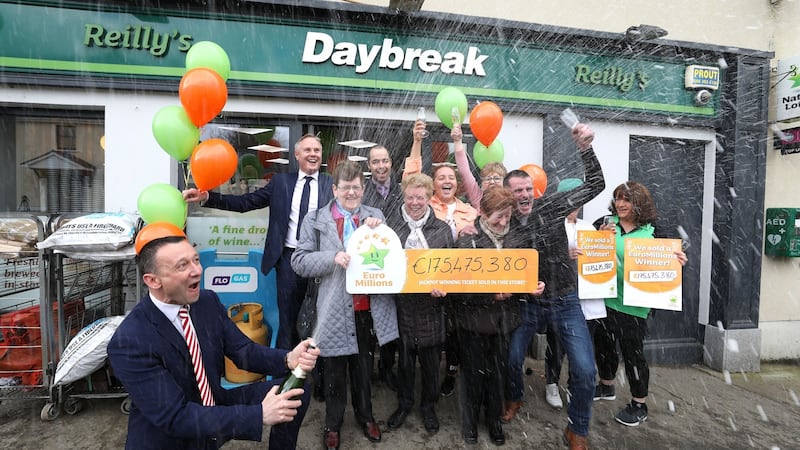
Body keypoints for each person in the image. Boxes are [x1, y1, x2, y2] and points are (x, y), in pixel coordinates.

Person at [107, 231, 320, 450]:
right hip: (170, 435)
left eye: (196, 260)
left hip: (213, 402)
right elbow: (176, 417)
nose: (197, 270)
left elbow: (243, 350)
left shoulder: (206, 301)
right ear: (153, 281)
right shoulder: (129, 341)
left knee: (295, 394)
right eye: (182, 266)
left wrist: (288, 359)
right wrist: (259, 414)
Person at [502, 123, 604, 450]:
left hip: (565, 301)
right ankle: (515, 398)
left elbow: (597, 184)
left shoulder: (552, 205)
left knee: (586, 372)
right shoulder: (503, 227)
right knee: (511, 359)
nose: (525, 194)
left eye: (528, 188)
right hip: (527, 305)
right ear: (508, 195)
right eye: (517, 190)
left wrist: (585, 148)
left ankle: (577, 429)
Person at [183, 133, 334, 351]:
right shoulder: (281, 183)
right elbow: (246, 202)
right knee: (288, 323)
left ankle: (317, 380)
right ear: (297, 154)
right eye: (308, 150)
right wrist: (208, 198)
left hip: (320, 261)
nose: (313, 154)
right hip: (288, 260)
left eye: (317, 151)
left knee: (319, 322)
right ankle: (286, 376)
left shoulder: (332, 185)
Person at [291, 161, 399, 450]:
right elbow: (298, 261)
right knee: (335, 373)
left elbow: (388, 256)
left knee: (364, 368)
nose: (351, 192)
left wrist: (379, 232)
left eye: (356, 187)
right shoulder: (315, 219)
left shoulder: (375, 216)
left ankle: (366, 417)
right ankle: (333, 424)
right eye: (345, 187)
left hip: (366, 309)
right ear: (335, 189)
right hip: (333, 310)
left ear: (363, 190)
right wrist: (332, 257)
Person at [452, 186, 546, 446]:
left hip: (506, 321)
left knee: (497, 375)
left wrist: (533, 287)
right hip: (474, 322)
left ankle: (493, 420)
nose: (504, 222)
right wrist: (489, 296)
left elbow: (529, 272)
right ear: (483, 213)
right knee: (472, 375)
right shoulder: (467, 240)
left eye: (507, 216)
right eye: (498, 217)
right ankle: (470, 422)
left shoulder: (519, 235)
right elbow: (459, 289)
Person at [591, 181, 688, 427]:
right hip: (605, 298)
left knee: (632, 352)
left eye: (627, 199)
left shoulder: (654, 230)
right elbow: (587, 251)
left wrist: (678, 261)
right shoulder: (604, 222)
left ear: (639, 203)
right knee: (603, 345)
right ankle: (606, 385)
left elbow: (667, 260)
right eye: (618, 199)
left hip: (634, 304)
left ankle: (639, 402)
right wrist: (598, 239)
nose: (621, 204)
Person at [404, 119, 479, 397]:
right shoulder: (423, 206)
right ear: (432, 185)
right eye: (440, 178)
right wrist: (417, 140)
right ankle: (422, 384)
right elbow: (411, 177)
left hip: (460, 284)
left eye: (451, 178)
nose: (446, 181)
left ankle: (451, 372)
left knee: (457, 332)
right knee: (435, 335)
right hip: (428, 282)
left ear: (457, 185)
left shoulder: (470, 211)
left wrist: (458, 143)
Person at [385, 173, 453, 434]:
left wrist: (444, 288)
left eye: (420, 197)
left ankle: (428, 407)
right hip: (401, 306)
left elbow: (451, 270)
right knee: (404, 363)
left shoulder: (443, 230)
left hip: (431, 308)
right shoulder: (391, 229)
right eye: (410, 197)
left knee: (431, 365)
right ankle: (404, 404)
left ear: (428, 198)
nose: (415, 202)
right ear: (404, 196)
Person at [541, 178, 609, 410]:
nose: (573, 204)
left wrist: (603, 243)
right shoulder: (551, 226)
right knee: (556, 343)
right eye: (568, 198)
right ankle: (551, 382)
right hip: (561, 295)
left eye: (577, 199)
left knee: (582, 347)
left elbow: (601, 259)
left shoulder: (588, 228)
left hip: (587, 296)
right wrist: (563, 256)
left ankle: (572, 385)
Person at [361, 144, 403, 392]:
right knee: (369, 320)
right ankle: (366, 371)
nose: (381, 166)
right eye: (375, 162)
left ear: (391, 163)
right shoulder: (363, 193)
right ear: (369, 166)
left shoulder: (401, 189)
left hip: (397, 263)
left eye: (384, 161)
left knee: (392, 318)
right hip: (372, 263)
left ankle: (387, 369)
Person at [452, 123, 507, 212]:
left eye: (496, 178)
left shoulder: (509, 200)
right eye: (488, 179)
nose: (492, 182)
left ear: (504, 181)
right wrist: (458, 141)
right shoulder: (478, 198)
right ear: (482, 183)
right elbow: (464, 172)